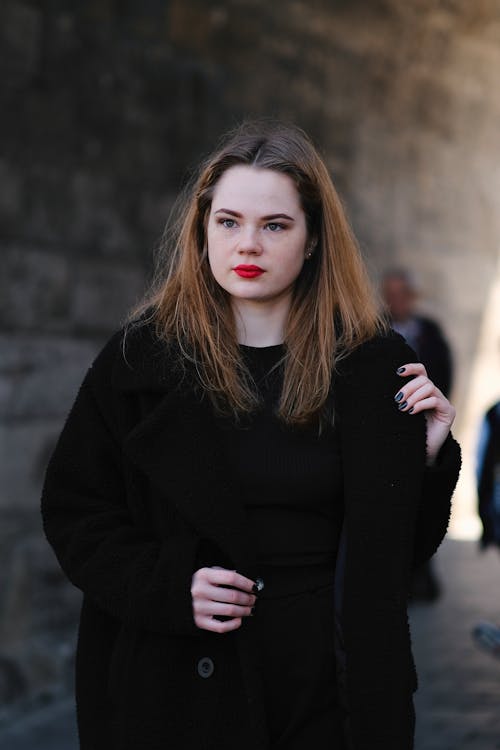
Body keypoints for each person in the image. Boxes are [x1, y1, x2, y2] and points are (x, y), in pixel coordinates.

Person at [41, 121, 461, 750]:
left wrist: (423, 462)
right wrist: (168, 585)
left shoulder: (372, 365)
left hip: (331, 686)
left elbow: (400, 557)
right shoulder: (139, 361)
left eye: (275, 225)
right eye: (228, 221)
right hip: (178, 682)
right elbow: (76, 512)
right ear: (202, 230)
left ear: (314, 238)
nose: (249, 244)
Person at [382, 268, 454, 601]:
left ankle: (421, 575)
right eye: (390, 292)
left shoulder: (429, 330)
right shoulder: (376, 328)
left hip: (421, 425)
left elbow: (444, 371)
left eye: (402, 293)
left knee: (423, 495)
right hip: (384, 430)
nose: (396, 299)